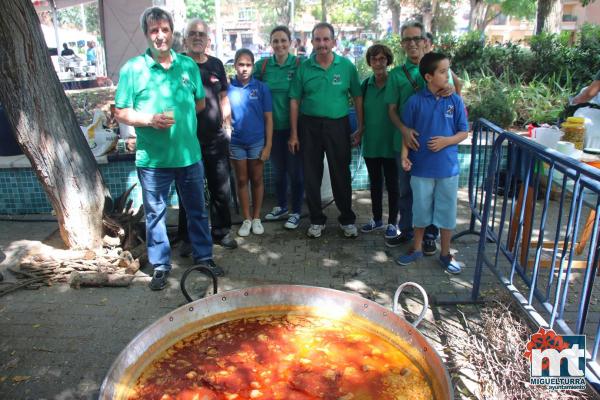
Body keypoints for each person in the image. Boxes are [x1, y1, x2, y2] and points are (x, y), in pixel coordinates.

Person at [114, 7, 222, 291]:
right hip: (153, 160)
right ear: (146, 34)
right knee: (156, 215)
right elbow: (121, 112)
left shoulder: (187, 66)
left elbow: (199, 102)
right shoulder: (133, 69)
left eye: (165, 30)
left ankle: (204, 256)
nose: (160, 36)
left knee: (197, 210)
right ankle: (161, 266)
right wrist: (149, 120)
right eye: (154, 31)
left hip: (189, 156)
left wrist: (182, 124)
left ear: (172, 32)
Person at [384, 21, 455, 253]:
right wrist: (404, 130)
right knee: (406, 191)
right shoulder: (395, 75)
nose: (412, 43)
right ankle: (406, 230)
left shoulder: (439, 69)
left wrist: (453, 87)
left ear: (425, 40)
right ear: (402, 44)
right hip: (405, 143)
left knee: (433, 192)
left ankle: (430, 236)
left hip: (435, 145)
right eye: (407, 40)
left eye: (417, 38)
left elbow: (455, 92)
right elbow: (391, 109)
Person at [289, 22, 364, 239]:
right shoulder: (304, 67)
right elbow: (294, 100)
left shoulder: (346, 66)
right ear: (312, 42)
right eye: (317, 39)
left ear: (333, 41)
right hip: (309, 126)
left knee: (341, 173)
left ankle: (347, 219)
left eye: (326, 39)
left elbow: (357, 97)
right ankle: (316, 220)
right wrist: (294, 134)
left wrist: (360, 126)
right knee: (312, 174)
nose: (322, 44)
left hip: (338, 126)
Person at [395, 52, 468, 274]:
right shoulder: (415, 102)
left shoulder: (454, 100)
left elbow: (464, 132)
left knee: (447, 212)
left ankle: (445, 253)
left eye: (448, 71)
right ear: (428, 77)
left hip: (447, 169)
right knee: (421, 210)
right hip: (421, 169)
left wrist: (447, 141)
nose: (447, 76)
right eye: (443, 72)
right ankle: (416, 248)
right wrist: (404, 155)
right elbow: (407, 134)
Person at [177, 18, 237, 254]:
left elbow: (223, 96)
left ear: (209, 40)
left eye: (201, 34)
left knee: (221, 188)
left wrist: (228, 126)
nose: (197, 37)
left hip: (215, 138)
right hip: (187, 141)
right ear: (185, 39)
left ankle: (221, 232)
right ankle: (188, 238)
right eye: (192, 33)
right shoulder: (178, 64)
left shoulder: (216, 64)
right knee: (188, 191)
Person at [255, 26, 304, 230]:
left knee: (295, 172)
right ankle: (282, 206)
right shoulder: (263, 66)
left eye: (283, 40)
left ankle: (296, 211)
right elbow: (248, 85)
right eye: (276, 41)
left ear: (291, 42)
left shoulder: (300, 64)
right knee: (278, 171)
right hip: (272, 130)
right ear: (271, 44)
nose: (280, 45)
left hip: (295, 129)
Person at [228, 49, 273, 237]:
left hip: (257, 142)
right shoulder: (228, 88)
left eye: (248, 65)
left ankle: (256, 218)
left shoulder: (261, 88)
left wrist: (268, 145)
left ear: (253, 66)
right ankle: (246, 219)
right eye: (241, 64)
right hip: (236, 142)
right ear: (235, 65)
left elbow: (269, 119)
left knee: (256, 179)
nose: (244, 69)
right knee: (241, 180)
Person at [360, 44, 400, 240]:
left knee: (393, 185)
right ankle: (377, 219)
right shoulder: (365, 85)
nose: (378, 63)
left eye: (382, 59)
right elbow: (360, 114)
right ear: (369, 62)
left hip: (392, 143)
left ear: (388, 60)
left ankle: (393, 222)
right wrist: (358, 131)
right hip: (372, 144)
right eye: (374, 59)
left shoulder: (396, 81)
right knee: (375, 184)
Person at [424, 32, 462, 96]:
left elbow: (458, 83)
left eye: (426, 46)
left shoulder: (438, 63)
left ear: (432, 47)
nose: (423, 50)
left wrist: (459, 100)